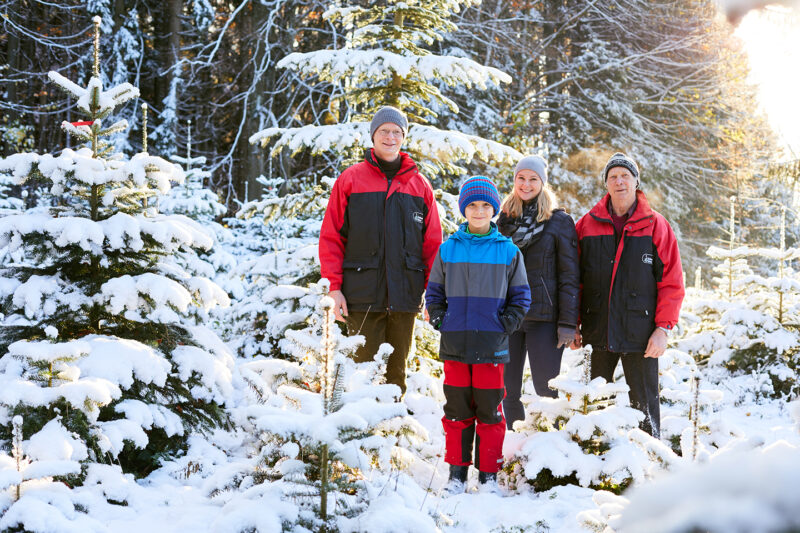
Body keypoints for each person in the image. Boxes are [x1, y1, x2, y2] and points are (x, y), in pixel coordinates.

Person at [318, 106, 442, 395]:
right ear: (373, 136)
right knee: (361, 374)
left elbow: (432, 245)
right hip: (361, 295)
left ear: (403, 137)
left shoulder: (419, 185)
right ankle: (362, 436)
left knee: (397, 374)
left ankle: (394, 431)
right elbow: (331, 237)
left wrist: (433, 293)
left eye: (396, 132)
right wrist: (334, 288)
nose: (390, 137)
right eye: (384, 131)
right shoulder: (350, 179)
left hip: (405, 297)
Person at [425, 176, 531, 494]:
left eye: (486, 205)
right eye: (473, 205)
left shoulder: (508, 251)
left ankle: (488, 476)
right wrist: (443, 318)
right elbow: (434, 292)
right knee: (457, 411)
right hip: (455, 343)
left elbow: (521, 296)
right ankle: (457, 475)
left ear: (494, 209)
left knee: (489, 411)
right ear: (464, 209)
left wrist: (506, 323)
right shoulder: (448, 249)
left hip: (492, 345)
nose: (479, 210)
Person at [573, 152, 684, 438]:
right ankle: (593, 466)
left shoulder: (657, 225)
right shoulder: (587, 224)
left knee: (644, 407)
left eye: (625, 175)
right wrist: (571, 323)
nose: (619, 181)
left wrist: (663, 329)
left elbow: (671, 281)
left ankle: (651, 462)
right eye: (613, 176)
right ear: (606, 184)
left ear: (636, 181)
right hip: (597, 331)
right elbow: (574, 280)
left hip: (641, 333)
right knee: (594, 408)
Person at [496, 155, 579, 429]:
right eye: (521, 178)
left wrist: (568, 322)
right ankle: (512, 447)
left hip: (544, 318)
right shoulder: (504, 219)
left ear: (542, 183)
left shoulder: (558, 221)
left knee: (547, 390)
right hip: (508, 316)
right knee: (507, 391)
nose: (526, 184)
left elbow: (569, 274)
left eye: (533, 179)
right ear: (515, 180)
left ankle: (550, 453)